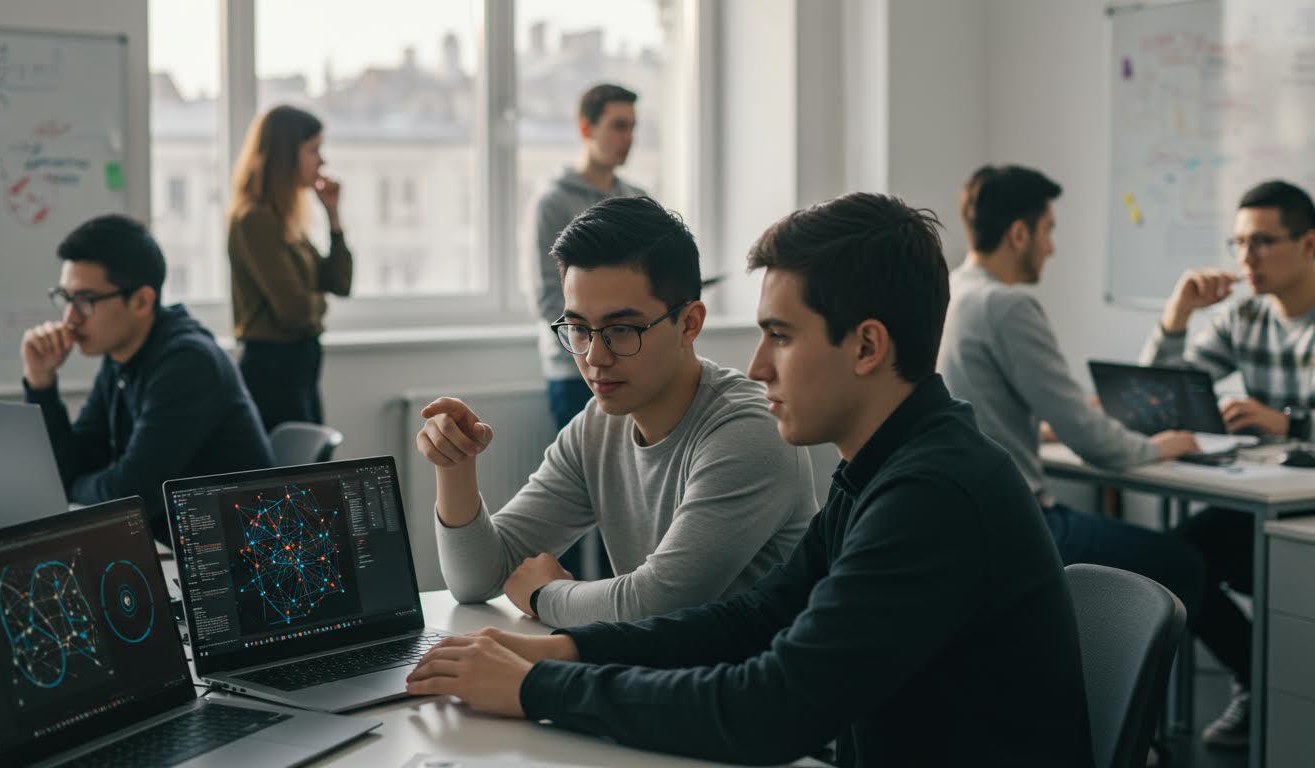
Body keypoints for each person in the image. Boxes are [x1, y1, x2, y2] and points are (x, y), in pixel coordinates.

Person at [405, 193, 1093, 767]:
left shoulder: (934, 495)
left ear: (866, 346)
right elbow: (752, 620)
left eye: (781, 336)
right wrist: (559, 648)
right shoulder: (886, 466)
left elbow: (770, 708)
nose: (758, 366)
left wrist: (540, 686)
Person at [418, 196, 817, 629]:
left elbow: (658, 602)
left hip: (749, 687)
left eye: (622, 330)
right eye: (578, 329)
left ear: (689, 324)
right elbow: (475, 580)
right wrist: (455, 465)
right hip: (657, 678)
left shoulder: (748, 430)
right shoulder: (597, 427)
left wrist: (542, 594)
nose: (594, 357)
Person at [938, 164, 1205, 618]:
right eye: (1048, 231)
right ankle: (1231, 687)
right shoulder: (1007, 304)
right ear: (1019, 234)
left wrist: (1046, 427)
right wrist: (1157, 448)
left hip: (967, 524)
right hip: (1024, 525)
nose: (1052, 248)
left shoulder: (951, 291)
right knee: (1185, 565)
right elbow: (1087, 437)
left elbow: (977, 406)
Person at [1141, 179, 1315, 749]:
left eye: (1262, 242)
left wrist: (1289, 424)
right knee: (1174, 561)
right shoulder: (1244, 318)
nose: (1246, 257)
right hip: (1267, 503)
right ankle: (1257, 680)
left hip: (1305, 515)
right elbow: (1157, 399)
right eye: (1239, 243)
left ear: (1309, 245)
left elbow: (1288, 426)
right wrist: (1177, 314)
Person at [20, 215, 274, 538]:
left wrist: (71, 485)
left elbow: (126, 497)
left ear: (141, 301)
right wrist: (41, 382)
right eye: (66, 298)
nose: (70, 318)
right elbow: (75, 460)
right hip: (169, 547)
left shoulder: (189, 364)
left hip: (230, 561)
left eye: (85, 301)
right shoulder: (120, 356)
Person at [228, 104, 352, 430]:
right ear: (286, 156)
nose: (322, 161)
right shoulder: (255, 219)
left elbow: (338, 283)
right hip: (273, 372)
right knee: (295, 476)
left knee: (313, 471)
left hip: (298, 368)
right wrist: (318, 299)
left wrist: (333, 217)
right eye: (313, 150)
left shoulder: (286, 219)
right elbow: (295, 311)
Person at [529, 84, 646, 430]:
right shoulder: (552, 202)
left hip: (632, 360)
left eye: (632, 128)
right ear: (586, 128)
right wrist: (592, 342)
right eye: (619, 126)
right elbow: (548, 295)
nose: (629, 138)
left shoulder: (638, 199)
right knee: (586, 479)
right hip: (574, 370)